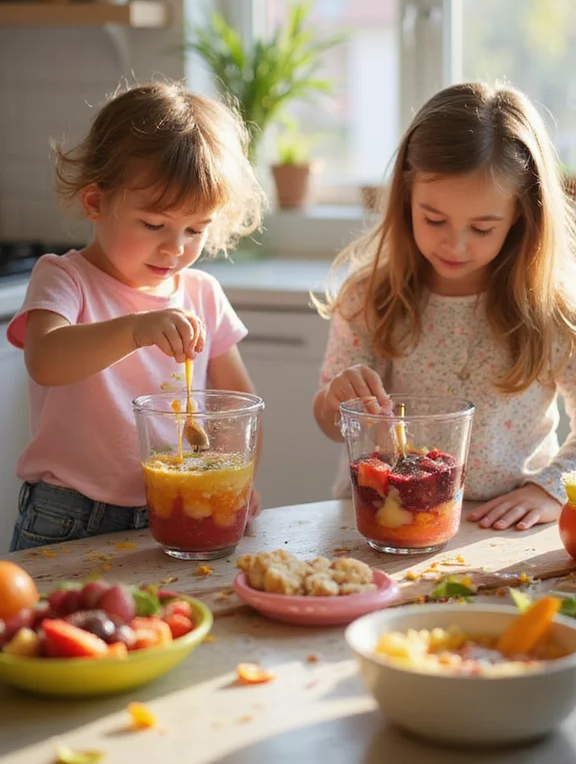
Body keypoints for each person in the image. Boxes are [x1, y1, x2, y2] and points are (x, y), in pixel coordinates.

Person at [8, 81, 266, 551]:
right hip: (70, 513)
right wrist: (135, 330)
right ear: (95, 202)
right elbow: (45, 359)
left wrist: (236, 484)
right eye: (154, 225)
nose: (175, 247)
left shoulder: (202, 293)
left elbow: (241, 407)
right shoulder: (65, 279)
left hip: (179, 503)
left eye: (195, 229)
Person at [313, 81, 576, 531]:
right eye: (433, 219)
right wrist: (338, 399)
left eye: (482, 227)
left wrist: (549, 488)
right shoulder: (370, 299)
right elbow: (333, 424)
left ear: (520, 218)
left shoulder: (552, 313)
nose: (455, 244)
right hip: (384, 519)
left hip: (499, 531)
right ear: (405, 200)